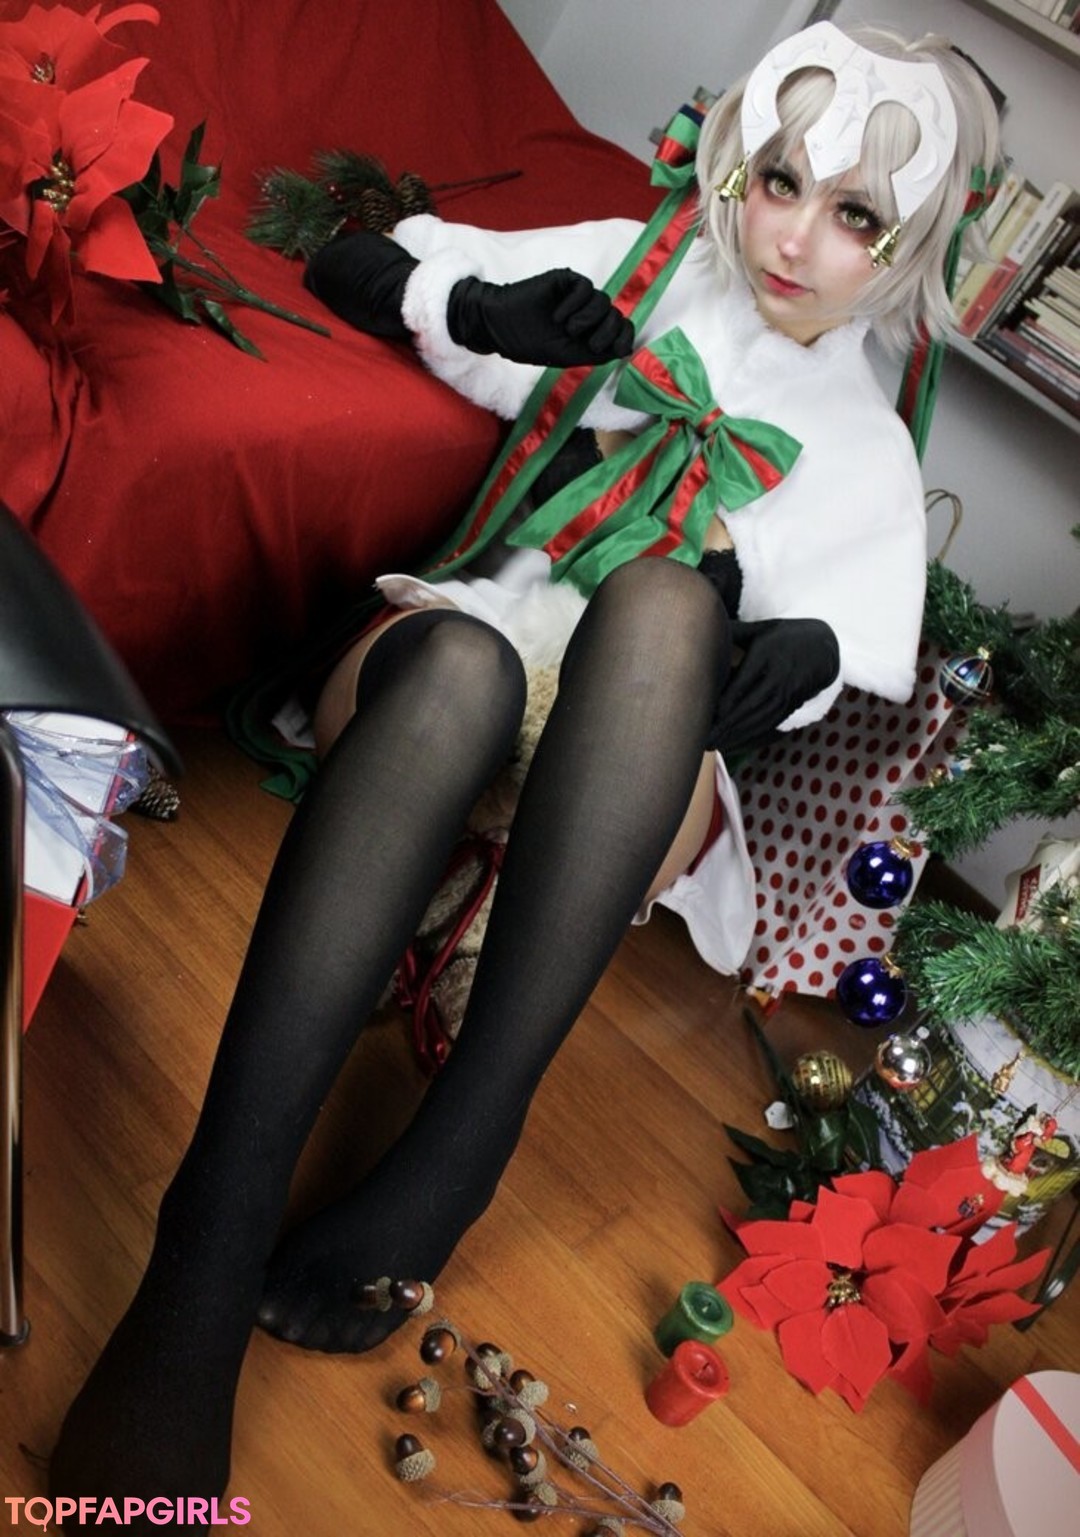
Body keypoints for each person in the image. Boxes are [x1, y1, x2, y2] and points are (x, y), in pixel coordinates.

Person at [50, 20, 1000, 1516]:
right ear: (734, 170)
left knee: (668, 604)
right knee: (464, 668)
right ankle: (204, 1249)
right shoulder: (637, 269)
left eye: (856, 216)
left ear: (910, 249)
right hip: (461, 657)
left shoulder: (869, 450)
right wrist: (488, 306)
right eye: (779, 183)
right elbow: (359, 267)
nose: (795, 239)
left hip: (635, 764)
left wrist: (799, 655)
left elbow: (850, 648)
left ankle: (466, 1137)